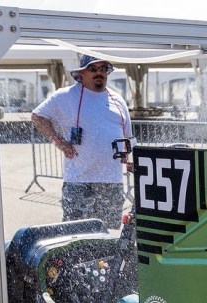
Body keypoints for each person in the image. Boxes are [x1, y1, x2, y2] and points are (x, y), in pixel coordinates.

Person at [32, 54, 133, 229]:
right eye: (93, 69)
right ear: (81, 73)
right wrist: (59, 142)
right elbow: (38, 117)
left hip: (111, 182)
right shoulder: (65, 96)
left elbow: (127, 137)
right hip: (79, 181)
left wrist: (128, 158)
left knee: (108, 234)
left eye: (103, 68)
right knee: (76, 234)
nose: (99, 72)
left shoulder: (118, 100)